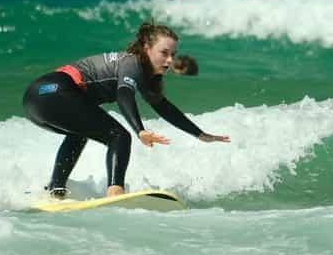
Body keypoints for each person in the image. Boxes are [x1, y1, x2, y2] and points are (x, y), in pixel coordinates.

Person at [22, 21, 230, 199]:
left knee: (79, 133)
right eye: (164, 53)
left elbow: (163, 107)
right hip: (54, 91)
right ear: (146, 47)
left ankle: (56, 190)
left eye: (172, 55)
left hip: (35, 99)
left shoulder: (144, 74)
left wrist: (200, 134)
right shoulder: (131, 63)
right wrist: (139, 130)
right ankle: (115, 192)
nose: (169, 60)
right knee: (119, 136)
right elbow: (124, 95)